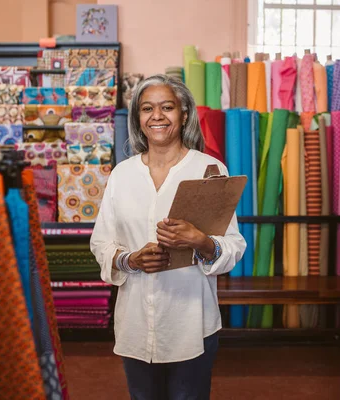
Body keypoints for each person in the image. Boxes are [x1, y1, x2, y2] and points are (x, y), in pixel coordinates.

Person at [90, 74, 246, 400]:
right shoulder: (123, 174)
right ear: (138, 118)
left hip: (190, 323)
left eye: (167, 107)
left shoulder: (209, 170)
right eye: (147, 108)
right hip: (135, 322)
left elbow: (234, 245)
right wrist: (129, 259)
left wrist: (200, 240)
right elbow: (101, 242)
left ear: (184, 113)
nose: (157, 116)